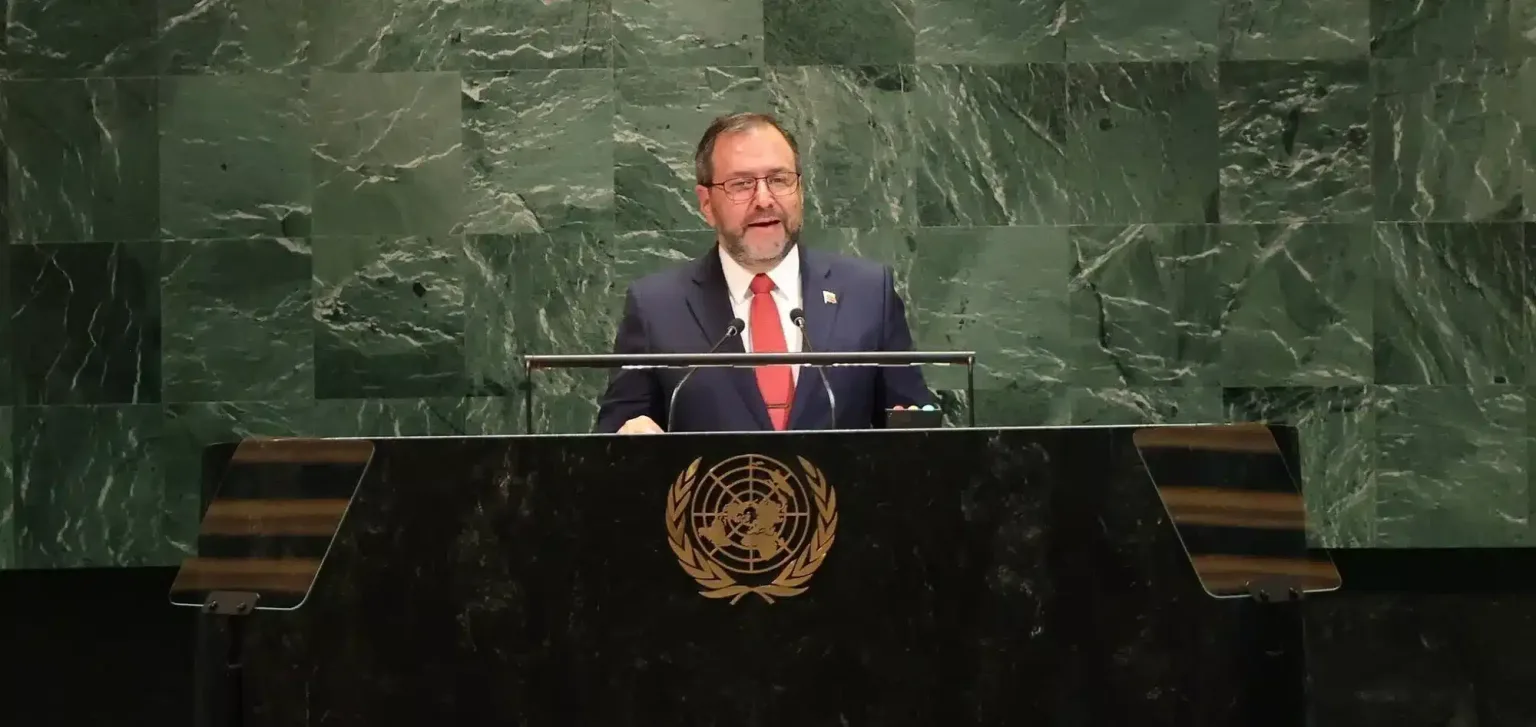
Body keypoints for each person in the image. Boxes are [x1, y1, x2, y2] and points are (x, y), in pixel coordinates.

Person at [593, 112, 933, 434]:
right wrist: (628, 436)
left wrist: (918, 428)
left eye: (779, 179)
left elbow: (917, 424)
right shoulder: (656, 307)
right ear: (706, 203)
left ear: (800, 189)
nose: (764, 199)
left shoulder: (868, 293)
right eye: (741, 184)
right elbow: (613, 437)